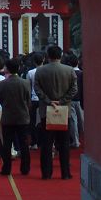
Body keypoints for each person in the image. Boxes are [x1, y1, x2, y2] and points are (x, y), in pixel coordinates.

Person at [34, 44, 77, 180]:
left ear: (48, 56)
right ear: (61, 55)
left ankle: (46, 173)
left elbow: (37, 89)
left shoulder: (40, 71)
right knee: (64, 143)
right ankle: (65, 173)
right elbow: (74, 89)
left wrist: (49, 101)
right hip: (64, 110)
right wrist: (62, 101)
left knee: (46, 144)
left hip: (47, 110)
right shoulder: (69, 70)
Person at [0, 58, 31, 176]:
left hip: (8, 117)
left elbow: (1, 100)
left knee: (7, 144)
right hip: (22, 116)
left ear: (7, 68)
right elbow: (28, 100)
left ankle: (6, 168)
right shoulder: (25, 83)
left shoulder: (2, 84)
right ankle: (25, 168)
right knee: (24, 144)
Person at [26, 52, 44, 150]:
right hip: (44, 99)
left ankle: (34, 142)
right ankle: (42, 141)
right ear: (43, 60)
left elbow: (28, 87)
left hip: (33, 98)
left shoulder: (30, 72)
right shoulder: (46, 70)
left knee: (33, 122)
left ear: (34, 62)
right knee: (43, 120)